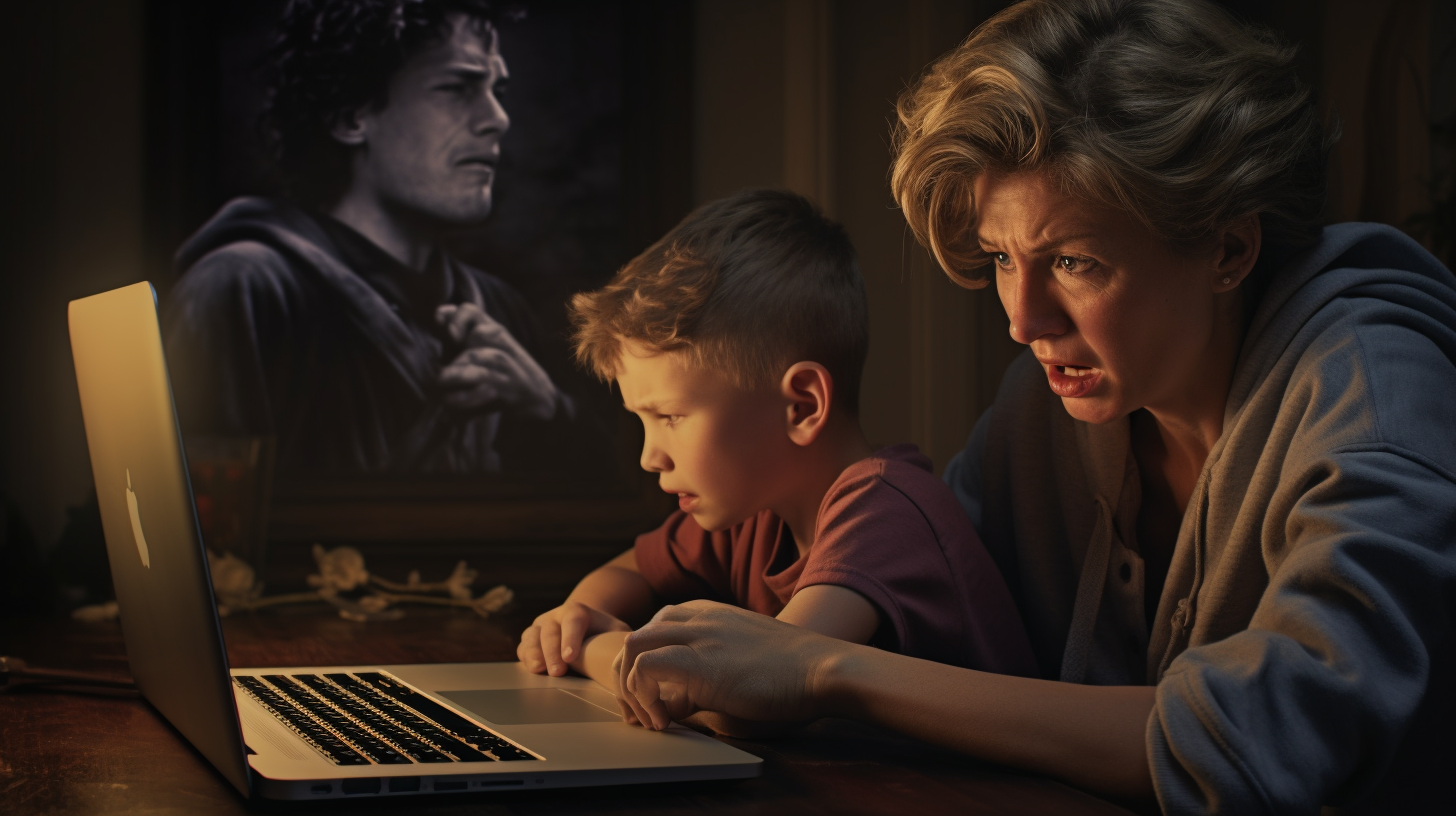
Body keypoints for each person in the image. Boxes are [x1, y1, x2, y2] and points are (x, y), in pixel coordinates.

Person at [608, 1, 1456, 813]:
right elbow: (941, 603)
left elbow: (1260, 742)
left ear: (1228, 246)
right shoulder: (1049, 403)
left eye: (1075, 262)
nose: (1022, 319)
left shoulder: (1376, 400)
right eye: (1002, 258)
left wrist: (823, 668)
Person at [516, 190, 1038, 727]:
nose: (650, 457)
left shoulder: (885, 514)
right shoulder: (754, 511)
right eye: (641, 420)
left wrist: (593, 647)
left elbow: (744, 705)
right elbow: (630, 569)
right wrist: (577, 619)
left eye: (669, 417)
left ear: (802, 405)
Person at [164, 0, 573, 475]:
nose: (497, 118)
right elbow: (199, 530)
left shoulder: (502, 311)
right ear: (350, 117)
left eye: (495, 89)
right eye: (456, 87)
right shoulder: (240, 290)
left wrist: (551, 412)